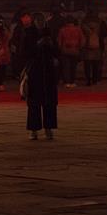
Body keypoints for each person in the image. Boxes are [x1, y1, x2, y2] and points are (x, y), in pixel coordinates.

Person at [23, 12, 59, 140]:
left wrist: (53, 51)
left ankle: (49, 128)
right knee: (34, 102)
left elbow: (56, 50)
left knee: (49, 102)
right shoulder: (29, 33)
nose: (40, 23)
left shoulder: (49, 33)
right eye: (38, 20)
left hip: (48, 71)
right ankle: (34, 129)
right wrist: (38, 44)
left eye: (42, 20)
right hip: (35, 71)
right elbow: (26, 52)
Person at [81, 8, 106, 85]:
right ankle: (95, 80)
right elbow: (105, 33)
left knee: (87, 64)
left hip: (87, 46)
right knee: (96, 64)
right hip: (98, 45)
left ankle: (88, 80)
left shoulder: (84, 22)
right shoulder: (101, 22)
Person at [58, 16, 83, 87]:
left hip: (65, 51)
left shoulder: (62, 30)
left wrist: (61, 48)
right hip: (75, 50)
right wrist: (78, 48)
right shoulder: (78, 30)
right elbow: (82, 41)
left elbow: (59, 42)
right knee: (73, 67)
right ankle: (73, 81)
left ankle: (67, 82)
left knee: (66, 67)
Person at [0, 14, 11, 90]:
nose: (0, 23)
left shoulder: (5, 29)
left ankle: (1, 83)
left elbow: (8, 37)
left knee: (3, 68)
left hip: (5, 50)